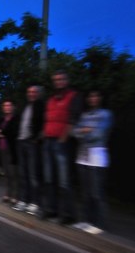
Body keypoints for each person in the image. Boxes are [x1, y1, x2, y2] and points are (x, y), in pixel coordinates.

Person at [41, 70, 83, 225]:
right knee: (48, 179)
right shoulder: (51, 99)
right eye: (56, 79)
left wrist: (62, 140)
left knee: (64, 181)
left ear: (67, 80)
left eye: (61, 79)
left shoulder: (73, 96)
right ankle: (51, 209)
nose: (58, 82)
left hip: (62, 143)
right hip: (48, 141)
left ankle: (68, 213)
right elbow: (48, 119)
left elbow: (73, 119)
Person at [72, 90, 113, 234]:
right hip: (82, 155)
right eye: (91, 96)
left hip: (97, 155)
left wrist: (84, 132)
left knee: (96, 192)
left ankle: (99, 224)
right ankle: (86, 221)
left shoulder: (106, 114)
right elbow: (74, 132)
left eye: (96, 95)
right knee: (85, 192)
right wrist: (85, 131)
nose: (93, 98)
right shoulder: (84, 115)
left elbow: (99, 134)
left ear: (101, 98)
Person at [13, 86, 45, 215]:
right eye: (29, 92)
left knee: (32, 175)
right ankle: (23, 200)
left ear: (38, 94)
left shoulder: (40, 106)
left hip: (31, 143)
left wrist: (36, 139)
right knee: (23, 174)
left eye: (34, 92)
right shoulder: (26, 106)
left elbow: (43, 124)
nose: (31, 94)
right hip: (21, 141)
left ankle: (35, 203)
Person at [0, 100, 19, 204]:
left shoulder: (14, 119)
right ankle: (8, 193)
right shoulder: (2, 119)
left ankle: (15, 195)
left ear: (12, 107)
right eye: (5, 105)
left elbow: (12, 132)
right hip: (2, 147)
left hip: (11, 148)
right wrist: (0, 133)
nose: (7, 107)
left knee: (13, 172)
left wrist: (2, 132)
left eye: (9, 105)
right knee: (6, 172)